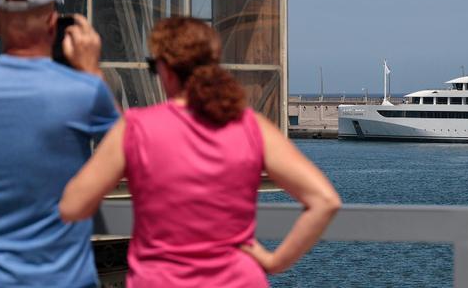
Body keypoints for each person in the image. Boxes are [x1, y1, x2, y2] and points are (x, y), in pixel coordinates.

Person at [60, 17, 341, 287]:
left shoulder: (136, 129)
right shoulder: (251, 127)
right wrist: (275, 261)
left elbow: (73, 205)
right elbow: (325, 200)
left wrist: (92, 77)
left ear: (166, 70)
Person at [0, 0, 119, 287]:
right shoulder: (84, 90)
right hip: (66, 279)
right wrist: (92, 70)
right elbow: (133, 148)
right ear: (54, 24)